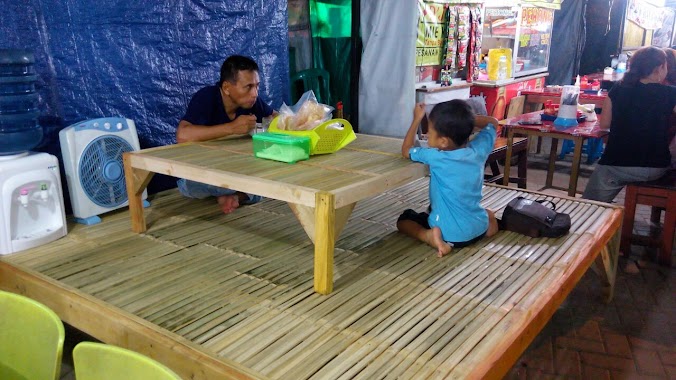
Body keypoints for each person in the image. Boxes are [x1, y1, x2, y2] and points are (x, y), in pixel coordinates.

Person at [397, 99, 499, 257]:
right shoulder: (479, 149)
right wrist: (465, 121)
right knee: (482, 213)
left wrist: (417, 119)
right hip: (478, 228)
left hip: (449, 235)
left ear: (443, 141)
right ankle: (489, 225)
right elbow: (493, 122)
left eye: (429, 132)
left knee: (404, 220)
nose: (426, 134)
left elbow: (406, 150)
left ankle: (429, 237)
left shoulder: (436, 157)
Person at [175, 55, 277, 214]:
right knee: (189, 185)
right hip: (201, 172)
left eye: (257, 86)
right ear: (227, 87)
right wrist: (231, 128)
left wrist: (298, 119)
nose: (255, 93)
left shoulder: (252, 101)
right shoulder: (207, 97)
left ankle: (233, 196)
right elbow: (182, 135)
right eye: (248, 87)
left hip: (234, 169)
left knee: (269, 177)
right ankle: (237, 193)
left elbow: (276, 117)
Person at [582, 46, 676, 203]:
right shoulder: (671, 94)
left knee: (590, 205)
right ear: (660, 68)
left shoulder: (618, 89)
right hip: (657, 166)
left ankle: (589, 221)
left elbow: (604, 124)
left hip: (617, 164)